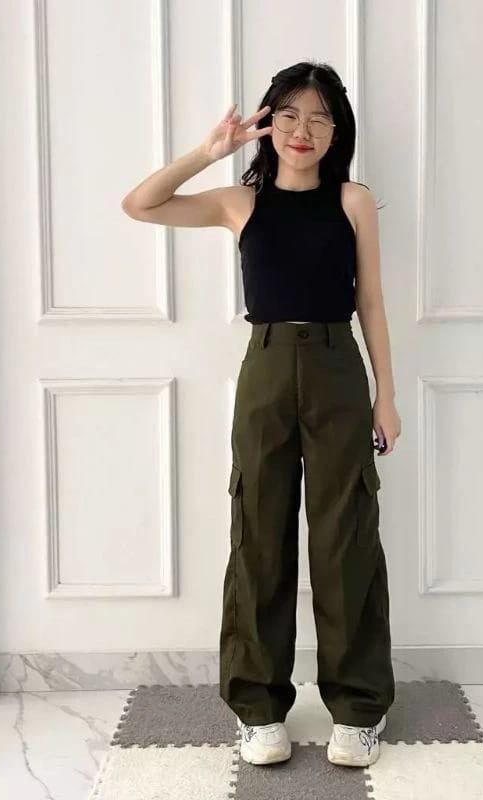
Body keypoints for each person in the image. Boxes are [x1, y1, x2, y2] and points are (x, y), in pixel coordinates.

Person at [121, 61, 401, 769]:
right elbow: (141, 205)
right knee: (259, 536)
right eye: (289, 115)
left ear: (336, 131)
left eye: (319, 117)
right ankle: (258, 710)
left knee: (345, 538)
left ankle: (357, 710)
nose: (303, 130)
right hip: (266, 369)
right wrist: (208, 151)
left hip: (338, 366)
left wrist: (386, 395)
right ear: (269, 123)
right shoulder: (239, 203)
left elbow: (370, 300)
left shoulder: (354, 200)